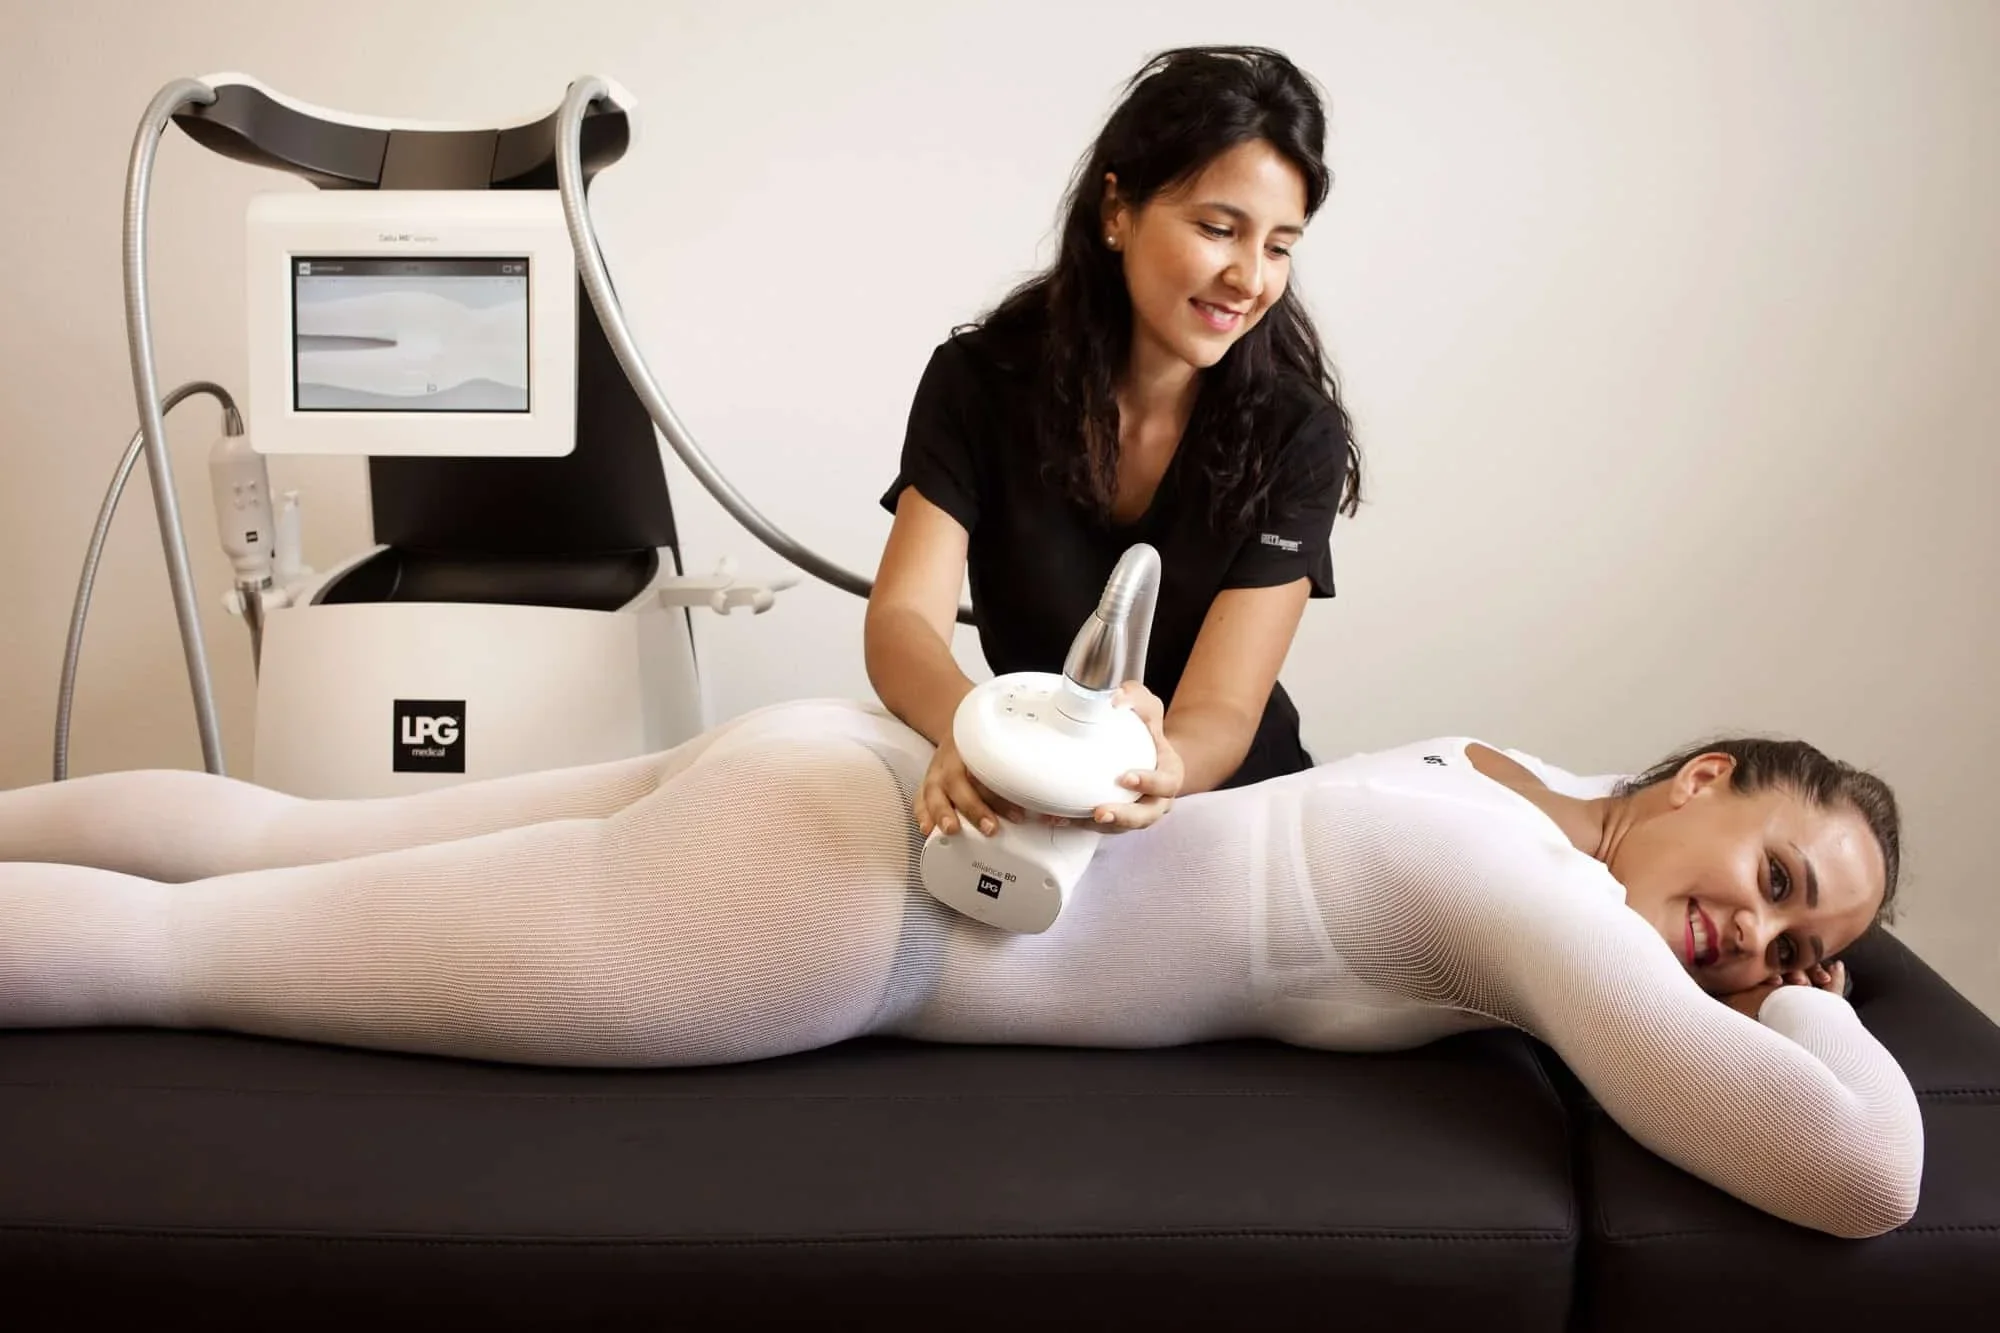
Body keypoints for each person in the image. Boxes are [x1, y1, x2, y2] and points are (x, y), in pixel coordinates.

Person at [0, 696, 1918, 1239]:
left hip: (840, 765)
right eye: (1779, 881)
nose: (1759, 946)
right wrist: (1822, 1020)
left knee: (275, 832)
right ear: (1706, 772)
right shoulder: (1541, 893)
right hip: (840, 902)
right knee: (189, 946)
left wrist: (1784, 966)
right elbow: (1855, 1170)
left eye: (1805, 944)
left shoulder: (1513, 766)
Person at [866, 46, 1362, 843]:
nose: (1250, 278)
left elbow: (1224, 708)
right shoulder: (979, 382)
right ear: (1117, 210)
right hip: (1034, 782)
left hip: (1222, 806)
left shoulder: (1298, 433)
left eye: (1278, 247)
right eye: (1218, 229)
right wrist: (971, 733)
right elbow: (903, 620)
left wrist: (1163, 766)